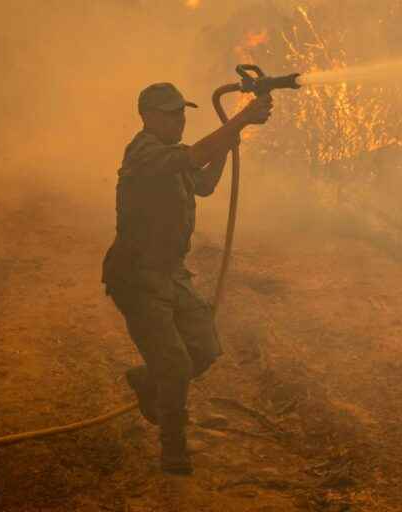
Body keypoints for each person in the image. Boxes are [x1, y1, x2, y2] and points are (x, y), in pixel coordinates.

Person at [102, 82, 272, 474]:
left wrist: (229, 146)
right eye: (171, 113)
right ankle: (173, 452)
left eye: (182, 112)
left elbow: (206, 183)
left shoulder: (171, 159)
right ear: (148, 117)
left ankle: (148, 382)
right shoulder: (144, 154)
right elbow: (195, 155)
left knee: (205, 347)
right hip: (138, 276)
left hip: (169, 273)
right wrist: (242, 119)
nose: (180, 119)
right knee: (176, 365)